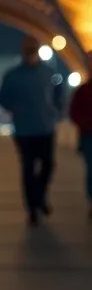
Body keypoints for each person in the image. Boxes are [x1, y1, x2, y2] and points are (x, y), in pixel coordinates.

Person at [0, 36, 66, 226]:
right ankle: (33, 208)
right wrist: (14, 108)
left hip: (45, 128)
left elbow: (60, 94)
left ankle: (39, 198)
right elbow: (1, 98)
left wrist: (55, 111)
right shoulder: (13, 75)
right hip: (24, 129)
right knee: (28, 169)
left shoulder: (49, 73)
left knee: (48, 166)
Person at [67, 50, 92, 219]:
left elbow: (73, 113)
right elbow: (73, 113)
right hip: (88, 135)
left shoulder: (83, 90)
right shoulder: (83, 90)